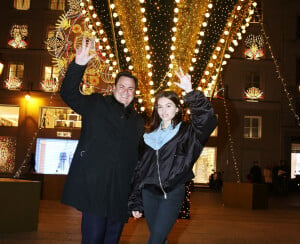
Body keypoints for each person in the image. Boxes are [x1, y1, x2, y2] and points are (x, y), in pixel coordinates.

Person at [60, 37, 144, 244]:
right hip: (95, 188)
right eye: (122, 87)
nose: (126, 92)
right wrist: (78, 64)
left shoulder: (138, 121)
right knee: (93, 238)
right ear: (114, 88)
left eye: (131, 89)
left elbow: (139, 159)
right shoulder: (96, 104)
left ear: (135, 93)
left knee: (112, 240)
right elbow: (68, 93)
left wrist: (136, 197)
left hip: (120, 192)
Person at [128, 69, 217, 244]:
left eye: (168, 105)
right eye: (159, 106)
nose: (163, 110)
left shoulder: (187, 132)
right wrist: (135, 201)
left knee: (154, 240)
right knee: (160, 239)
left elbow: (207, 121)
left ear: (177, 108)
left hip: (172, 193)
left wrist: (191, 93)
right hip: (149, 194)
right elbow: (139, 171)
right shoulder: (147, 136)